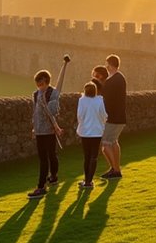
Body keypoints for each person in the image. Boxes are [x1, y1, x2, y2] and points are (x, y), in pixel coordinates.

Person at [28, 56, 70, 199]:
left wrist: (56, 127)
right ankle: (51, 179)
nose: (39, 86)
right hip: (40, 131)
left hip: (49, 130)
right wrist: (34, 128)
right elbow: (35, 112)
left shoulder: (53, 93)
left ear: (46, 81)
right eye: (38, 84)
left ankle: (43, 185)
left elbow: (51, 113)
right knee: (44, 157)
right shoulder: (35, 95)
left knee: (50, 156)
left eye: (41, 84)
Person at [100, 54, 127, 179]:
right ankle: (115, 169)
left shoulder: (112, 81)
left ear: (110, 65)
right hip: (120, 117)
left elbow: (107, 99)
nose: (106, 66)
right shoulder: (120, 78)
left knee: (105, 144)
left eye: (107, 64)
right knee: (114, 142)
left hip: (112, 118)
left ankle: (115, 170)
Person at [76, 81, 107, 189]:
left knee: (87, 156)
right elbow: (103, 115)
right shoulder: (99, 100)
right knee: (94, 156)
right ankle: (89, 181)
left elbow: (80, 116)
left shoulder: (82, 100)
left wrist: (83, 124)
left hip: (85, 132)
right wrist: (102, 123)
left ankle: (86, 180)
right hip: (97, 132)